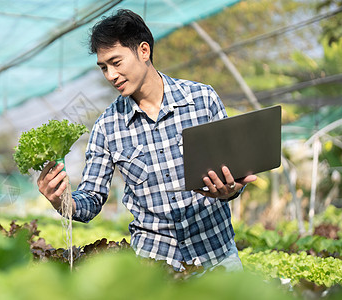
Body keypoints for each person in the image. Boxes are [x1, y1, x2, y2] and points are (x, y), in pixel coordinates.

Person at [37, 9, 257, 272]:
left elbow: (231, 171)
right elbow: (92, 198)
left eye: (116, 62)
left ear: (144, 51)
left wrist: (231, 190)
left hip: (218, 256)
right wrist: (62, 201)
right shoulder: (107, 127)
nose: (110, 75)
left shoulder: (202, 99)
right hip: (155, 266)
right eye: (103, 67)